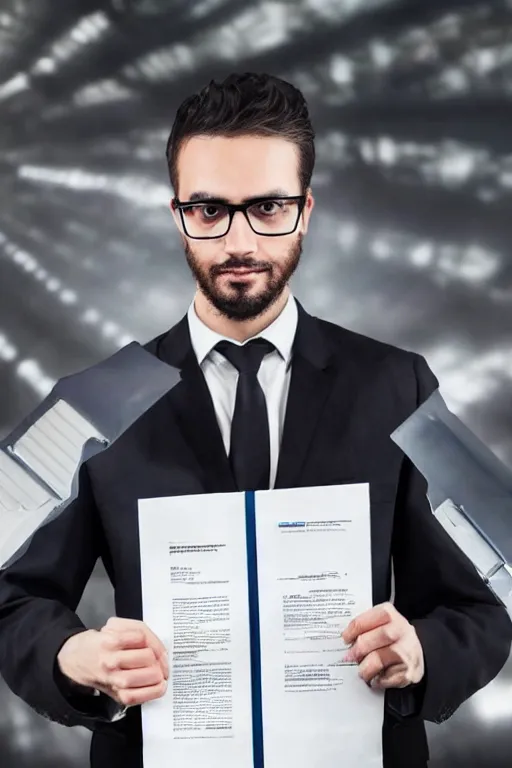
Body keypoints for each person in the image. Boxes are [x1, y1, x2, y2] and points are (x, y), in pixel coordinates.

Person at [0, 72, 510, 768]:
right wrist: (74, 655)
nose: (239, 240)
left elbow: (481, 606)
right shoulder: (94, 400)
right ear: (175, 212)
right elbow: (14, 601)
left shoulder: (397, 385)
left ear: (306, 208)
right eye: (209, 210)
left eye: (268, 207)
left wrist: (421, 651)